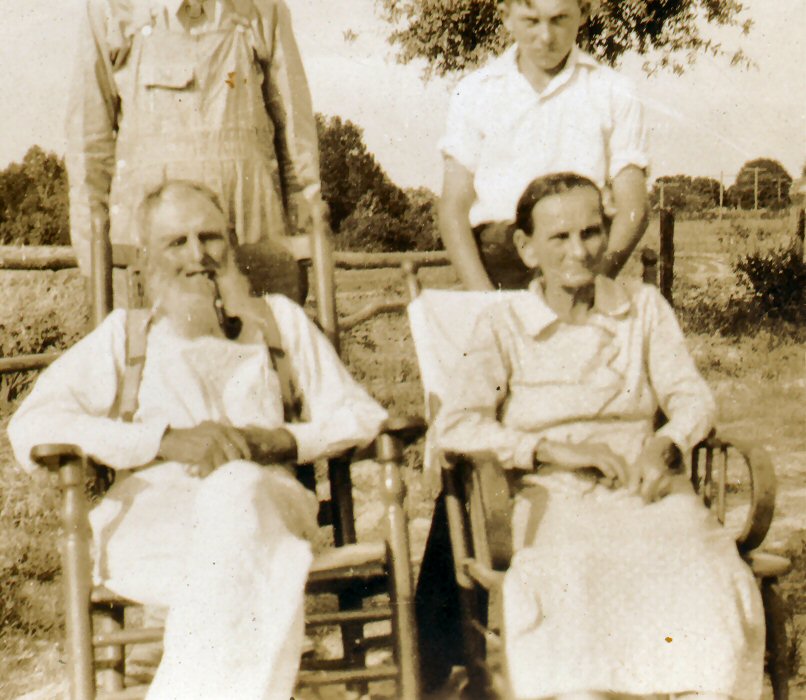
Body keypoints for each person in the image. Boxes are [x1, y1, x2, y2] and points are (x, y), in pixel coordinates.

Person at [8, 181, 388, 700]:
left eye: (210, 238)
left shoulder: (277, 320)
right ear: (145, 261)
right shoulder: (128, 334)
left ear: (230, 245)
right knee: (231, 566)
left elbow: (362, 414)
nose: (198, 256)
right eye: (177, 242)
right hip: (157, 530)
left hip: (265, 510)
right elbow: (32, 423)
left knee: (234, 488)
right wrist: (160, 441)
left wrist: (279, 441)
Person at [436, 173, 764, 700]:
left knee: (706, 571)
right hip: (553, 498)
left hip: (645, 489)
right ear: (527, 248)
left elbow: (692, 397)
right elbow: (455, 425)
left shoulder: (642, 309)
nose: (579, 251)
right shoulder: (504, 324)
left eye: (591, 232)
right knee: (573, 581)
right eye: (559, 237)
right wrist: (546, 448)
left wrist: (668, 443)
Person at [66, 0, 326, 285]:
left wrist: (303, 236)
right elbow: (88, 145)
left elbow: (295, 134)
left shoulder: (264, 9)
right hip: (151, 245)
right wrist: (95, 261)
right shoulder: (110, 10)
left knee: (260, 326)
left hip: (252, 234)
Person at [438, 0, 649, 290]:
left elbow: (634, 206)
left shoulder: (613, 91)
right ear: (506, 16)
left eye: (559, 19)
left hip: (581, 257)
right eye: (531, 21)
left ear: (584, 13)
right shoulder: (475, 92)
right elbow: (453, 208)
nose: (546, 36)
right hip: (498, 263)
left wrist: (594, 283)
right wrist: (486, 299)